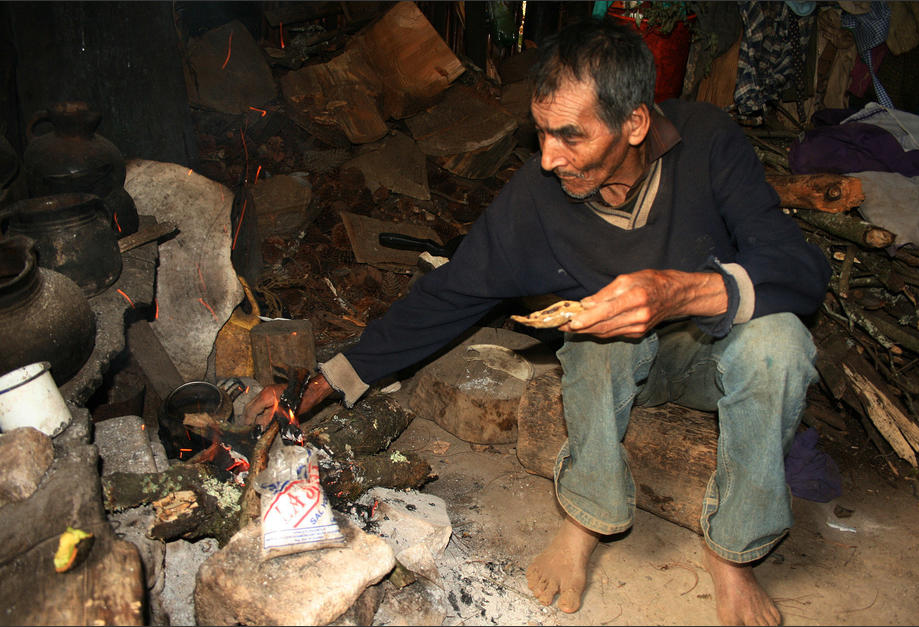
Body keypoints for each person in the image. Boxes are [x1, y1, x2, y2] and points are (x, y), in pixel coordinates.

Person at [246, 17, 831, 626]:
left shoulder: (708, 142)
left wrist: (681, 292)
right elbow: (451, 292)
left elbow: (798, 269)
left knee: (780, 340)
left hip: (716, 363)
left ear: (634, 122)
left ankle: (733, 554)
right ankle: (586, 518)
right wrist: (329, 378)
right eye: (542, 133)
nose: (549, 158)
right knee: (591, 326)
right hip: (625, 371)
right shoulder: (537, 196)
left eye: (570, 137)